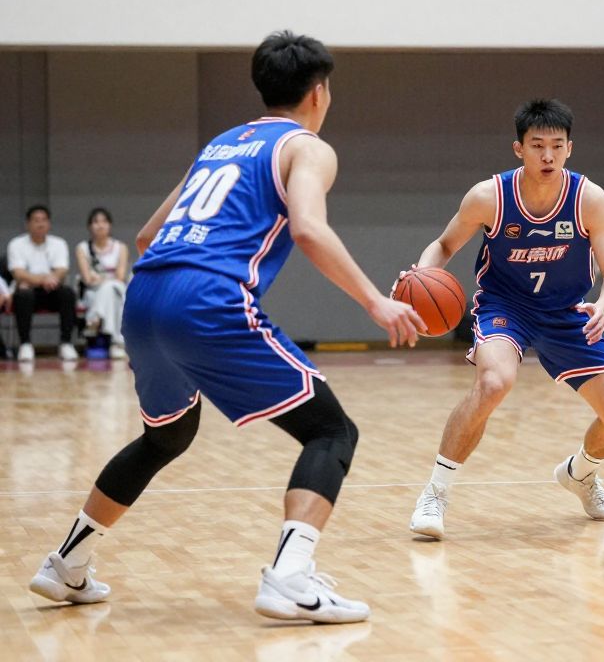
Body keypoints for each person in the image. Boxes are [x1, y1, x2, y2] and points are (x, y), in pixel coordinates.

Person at [28, 31, 425, 623]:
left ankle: (66, 564)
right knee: (331, 432)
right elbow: (309, 230)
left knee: (166, 436)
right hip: (207, 299)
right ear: (319, 92)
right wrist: (376, 302)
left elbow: (143, 238)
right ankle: (290, 579)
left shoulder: (221, 144)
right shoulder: (308, 148)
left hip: (146, 292)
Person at [407, 98, 604, 540]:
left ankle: (580, 474)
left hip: (568, 312)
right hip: (505, 307)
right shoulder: (489, 196)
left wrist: (603, 306)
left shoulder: (589, 199)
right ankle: (435, 493)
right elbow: (442, 245)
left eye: (556, 146)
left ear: (570, 148)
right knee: (494, 383)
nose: (547, 156)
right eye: (537, 146)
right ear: (519, 149)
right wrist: (423, 272)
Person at [7, 205, 78, 362]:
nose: (40, 224)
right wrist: (44, 278)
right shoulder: (16, 244)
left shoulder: (59, 244)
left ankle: (66, 343)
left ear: (49, 223)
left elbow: (61, 270)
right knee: (23, 295)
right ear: (28, 224)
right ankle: (25, 344)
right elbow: (18, 273)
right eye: (36, 220)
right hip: (27, 293)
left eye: (44, 220)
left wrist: (44, 279)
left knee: (67, 293)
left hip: (51, 291)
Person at [75, 207, 130, 359]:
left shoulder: (121, 247)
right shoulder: (82, 248)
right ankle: (116, 343)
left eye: (104, 221)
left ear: (110, 225)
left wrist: (100, 277)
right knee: (111, 295)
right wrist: (106, 278)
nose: (100, 225)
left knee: (112, 289)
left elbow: (120, 277)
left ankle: (95, 318)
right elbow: (87, 279)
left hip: (117, 288)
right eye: (96, 222)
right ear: (89, 226)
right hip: (92, 292)